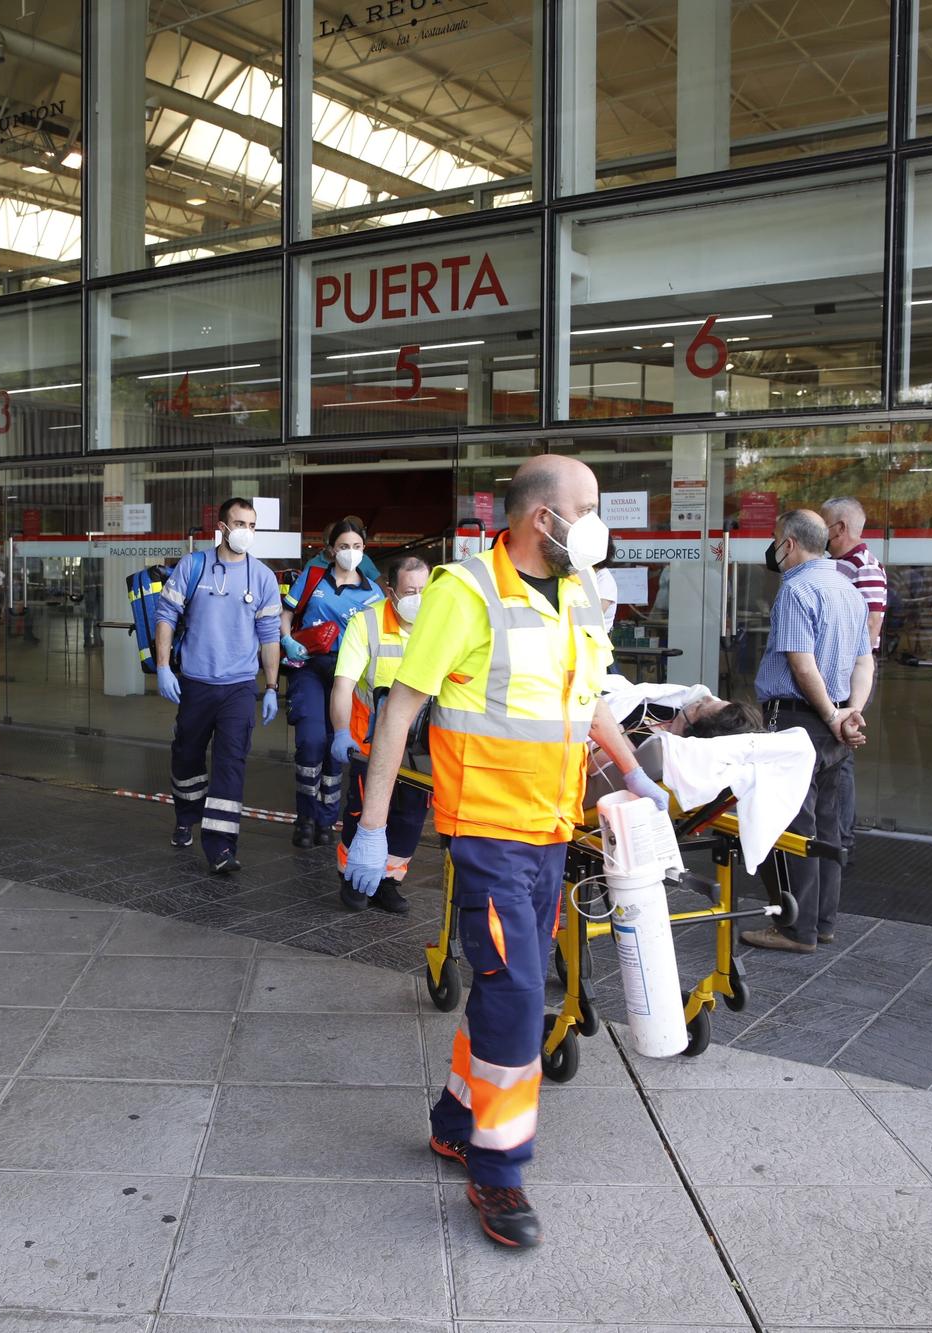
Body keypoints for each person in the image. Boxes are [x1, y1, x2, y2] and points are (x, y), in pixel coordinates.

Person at [347, 454, 664, 1251]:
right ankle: (500, 1163)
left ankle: (457, 1119)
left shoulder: (581, 595)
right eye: (588, 506)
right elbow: (400, 711)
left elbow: (587, 701)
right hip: (487, 834)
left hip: (552, 831)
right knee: (520, 993)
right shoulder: (465, 593)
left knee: (500, 986)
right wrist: (374, 824)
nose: (600, 522)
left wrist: (630, 769)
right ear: (541, 518)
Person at [740, 509, 873, 956]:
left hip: (799, 719)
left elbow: (801, 663)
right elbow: (864, 661)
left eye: (776, 539)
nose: (774, 548)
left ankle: (795, 929)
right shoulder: (848, 589)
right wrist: (850, 712)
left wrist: (834, 716)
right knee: (830, 827)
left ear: (790, 543)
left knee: (792, 825)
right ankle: (823, 922)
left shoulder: (796, 588)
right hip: (834, 721)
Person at [153, 498, 283, 875]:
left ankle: (221, 847)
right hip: (196, 682)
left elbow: (270, 635)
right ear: (222, 527)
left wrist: (271, 685)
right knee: (187, 755)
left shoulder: (262, 577)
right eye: (240, 523)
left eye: (252, 524)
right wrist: (164, 667)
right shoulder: (194, 567)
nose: (246, 531)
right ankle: (186, 814)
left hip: (239, 686)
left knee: (231, 764)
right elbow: (166, 615)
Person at [329, 555, 432, 913]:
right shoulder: (367, 624)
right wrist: (341, 731)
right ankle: (352, 875)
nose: (418, 598)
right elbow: (343, 686)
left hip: (420, 747)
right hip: (370, 742)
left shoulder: (439, 625)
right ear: (390, 591)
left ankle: (389, 880)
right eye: (409, 591)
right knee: (363, 812)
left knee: (410, 817)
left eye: (424, 589)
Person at [280, 517, 384, 848]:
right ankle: (306, 817)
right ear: (330, 550)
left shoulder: (374, 593)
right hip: (310, 666)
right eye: (343, 547)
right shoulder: (313, 579)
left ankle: (326, 818)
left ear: (364, 550)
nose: (349, 553)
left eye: (356, 547)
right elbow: (285, 614)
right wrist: (286, 640)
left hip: (349, 674)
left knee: (336, 748)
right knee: (311, 741)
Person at [823, 495, 886, 869]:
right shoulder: (837, 566)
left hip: (848, 673)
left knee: (841, 756)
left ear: (840, 528)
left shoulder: (863, 566)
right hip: (840, 670)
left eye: (826, 524)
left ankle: (842, 838)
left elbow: (871, 627)